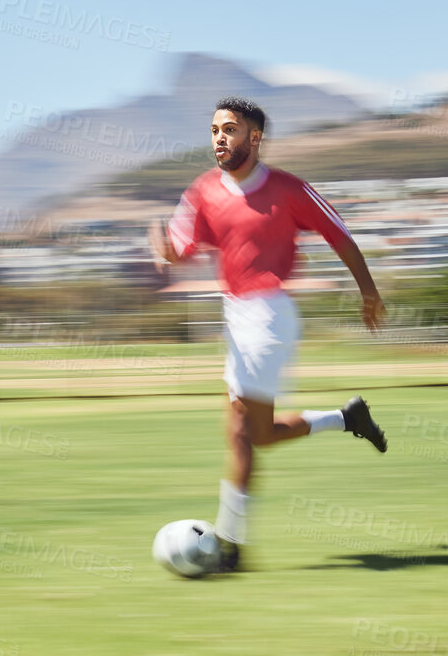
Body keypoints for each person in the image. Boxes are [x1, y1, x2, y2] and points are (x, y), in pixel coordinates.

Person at [147, 97, 387, 572]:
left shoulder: (289, 189)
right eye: (215, 128)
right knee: (258, 434)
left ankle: (231, 549)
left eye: (231, 129)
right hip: (235, 316)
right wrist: (165, 253)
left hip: (269, 315)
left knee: (240, 432)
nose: (219, 137)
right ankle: (348, 418)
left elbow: (340, 235)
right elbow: (181, 247)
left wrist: (369, 294)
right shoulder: (202, 191)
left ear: (254, 139)